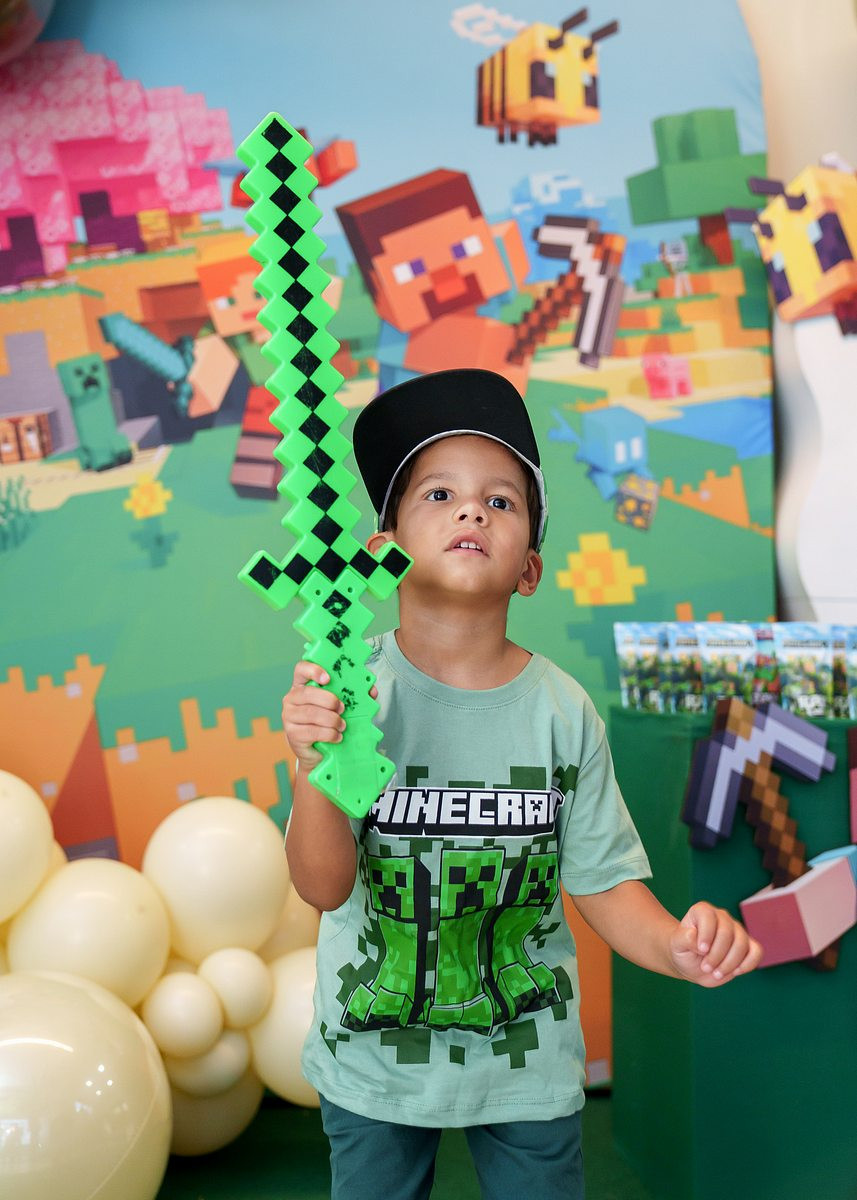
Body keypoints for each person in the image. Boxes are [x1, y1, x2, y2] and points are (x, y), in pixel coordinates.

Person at [282, 368, 762, 1200]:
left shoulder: (561, 712)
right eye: (439, 494)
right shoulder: (349, 691)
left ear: (529, 568)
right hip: (373, 1057)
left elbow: (602, 882)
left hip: (525, 1054)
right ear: (381, 551)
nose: (471, 511)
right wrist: (311, 767)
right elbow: (323, 887)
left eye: (499, 501)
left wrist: (674, 947)